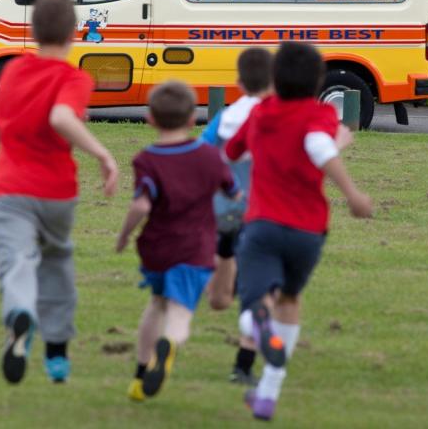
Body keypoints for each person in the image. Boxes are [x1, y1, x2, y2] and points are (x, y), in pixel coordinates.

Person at [226, 41, 372, 421]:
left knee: (255, 304)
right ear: (318, 82)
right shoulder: (320, 112)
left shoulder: (260, 113)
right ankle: (267, 395)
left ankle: (256, 326)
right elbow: (320, 145)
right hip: (308, 232)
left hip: (262, 226)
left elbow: (233, 152)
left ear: (275, 78)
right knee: (289, 300)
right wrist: (353, 194)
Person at [0, 0, 118, 385]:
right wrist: (103, 156)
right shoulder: (74, 78)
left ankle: (20, 316)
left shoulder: (12, 72)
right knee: (57, 262)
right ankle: (57, 354)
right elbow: (62, 115)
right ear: (73, 33)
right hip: (57, 193)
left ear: (33, 31)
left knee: (17, 263)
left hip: (10, 190)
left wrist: (6, 129)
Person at [116, 81, 240, 402]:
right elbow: (234, 194)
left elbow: (142, 205)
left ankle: (140, 376)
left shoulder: (146, 159)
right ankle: (169, 344)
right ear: (191, 120)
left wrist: (124, 234)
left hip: (156, 247)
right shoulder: (210, 157)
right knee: (179, 312)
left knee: (156, 303)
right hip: (195, 248)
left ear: (151, 119)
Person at [200, 47, 273, 386]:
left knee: (220, 293)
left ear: (239, 82)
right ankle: (243, 365)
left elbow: (202, 157)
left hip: (225, 210)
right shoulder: (278, 115)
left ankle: (214, 283)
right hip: (265, 213)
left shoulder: (226, 117)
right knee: (259, 291)